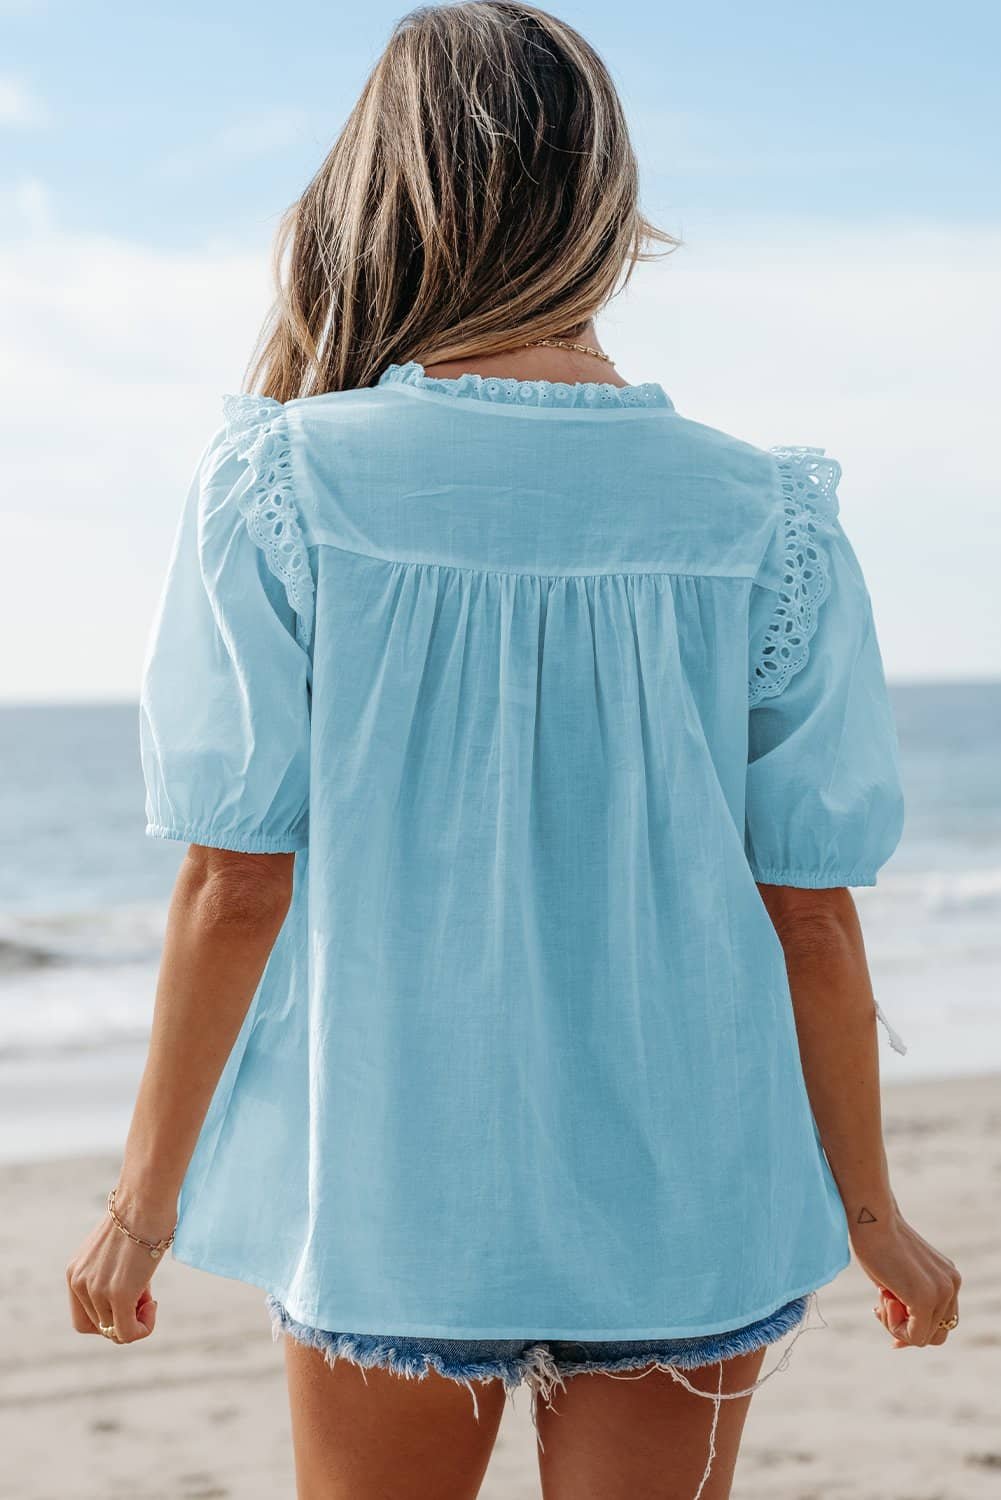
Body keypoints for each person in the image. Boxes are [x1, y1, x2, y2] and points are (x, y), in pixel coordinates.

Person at [66, 5, 961, 1497]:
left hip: (393, 1195)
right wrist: (871, 1216)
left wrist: (139, 1210)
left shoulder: (282, 483)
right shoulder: (765, 516)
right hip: (691, 1191)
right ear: (604, 204)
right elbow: (808, 906)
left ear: (379, 196)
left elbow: (235, 882)